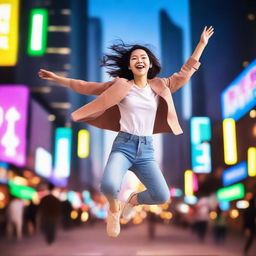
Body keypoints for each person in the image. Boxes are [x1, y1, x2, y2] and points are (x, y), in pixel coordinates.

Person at [38, 26, 214, 237]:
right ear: (130, 66)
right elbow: (87, 86)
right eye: (134, 58)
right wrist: (58, 79)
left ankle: (132, 200)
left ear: (149, 63)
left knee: (161, 195)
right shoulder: (120, 85)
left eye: (143, 57)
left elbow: (185, 72)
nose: (139, 60)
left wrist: (201, 44)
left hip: (147, 150)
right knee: (109, 185)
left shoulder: (161, 85)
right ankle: (114, 209)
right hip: (124, 146)